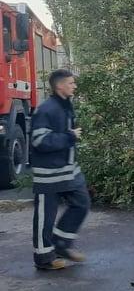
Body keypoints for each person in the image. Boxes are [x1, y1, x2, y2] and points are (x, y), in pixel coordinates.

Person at [31, 69, 89, 270]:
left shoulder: (65, 106)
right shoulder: (46, 109)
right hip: (49, 174)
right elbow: (39, 140)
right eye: (71, 83)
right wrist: (69, 136)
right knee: (45, 217)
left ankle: (61, 244)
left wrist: (69, 136)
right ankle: (44, 258)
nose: (74, 86)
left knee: (82, 203)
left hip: (68, 170)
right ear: (60, 86)